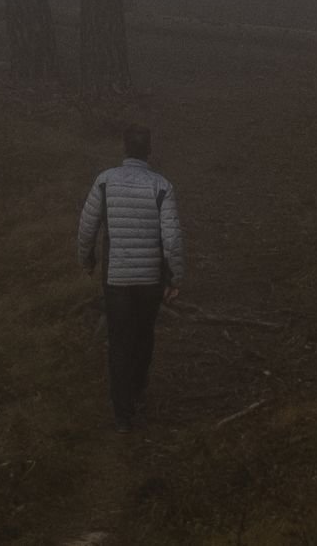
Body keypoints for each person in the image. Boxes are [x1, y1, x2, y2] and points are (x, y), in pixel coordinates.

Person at [75, 128, 183, 430]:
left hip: (116, 280)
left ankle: (122, 414)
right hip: (150, 280)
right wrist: (175, 276)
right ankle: (138, 391)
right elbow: (172, 239)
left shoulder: (105, 181)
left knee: (119, 341)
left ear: (124, 149)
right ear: (149, 150)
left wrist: (86, 259)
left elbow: (87, 227)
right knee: (144, 335)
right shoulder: (162, 186)